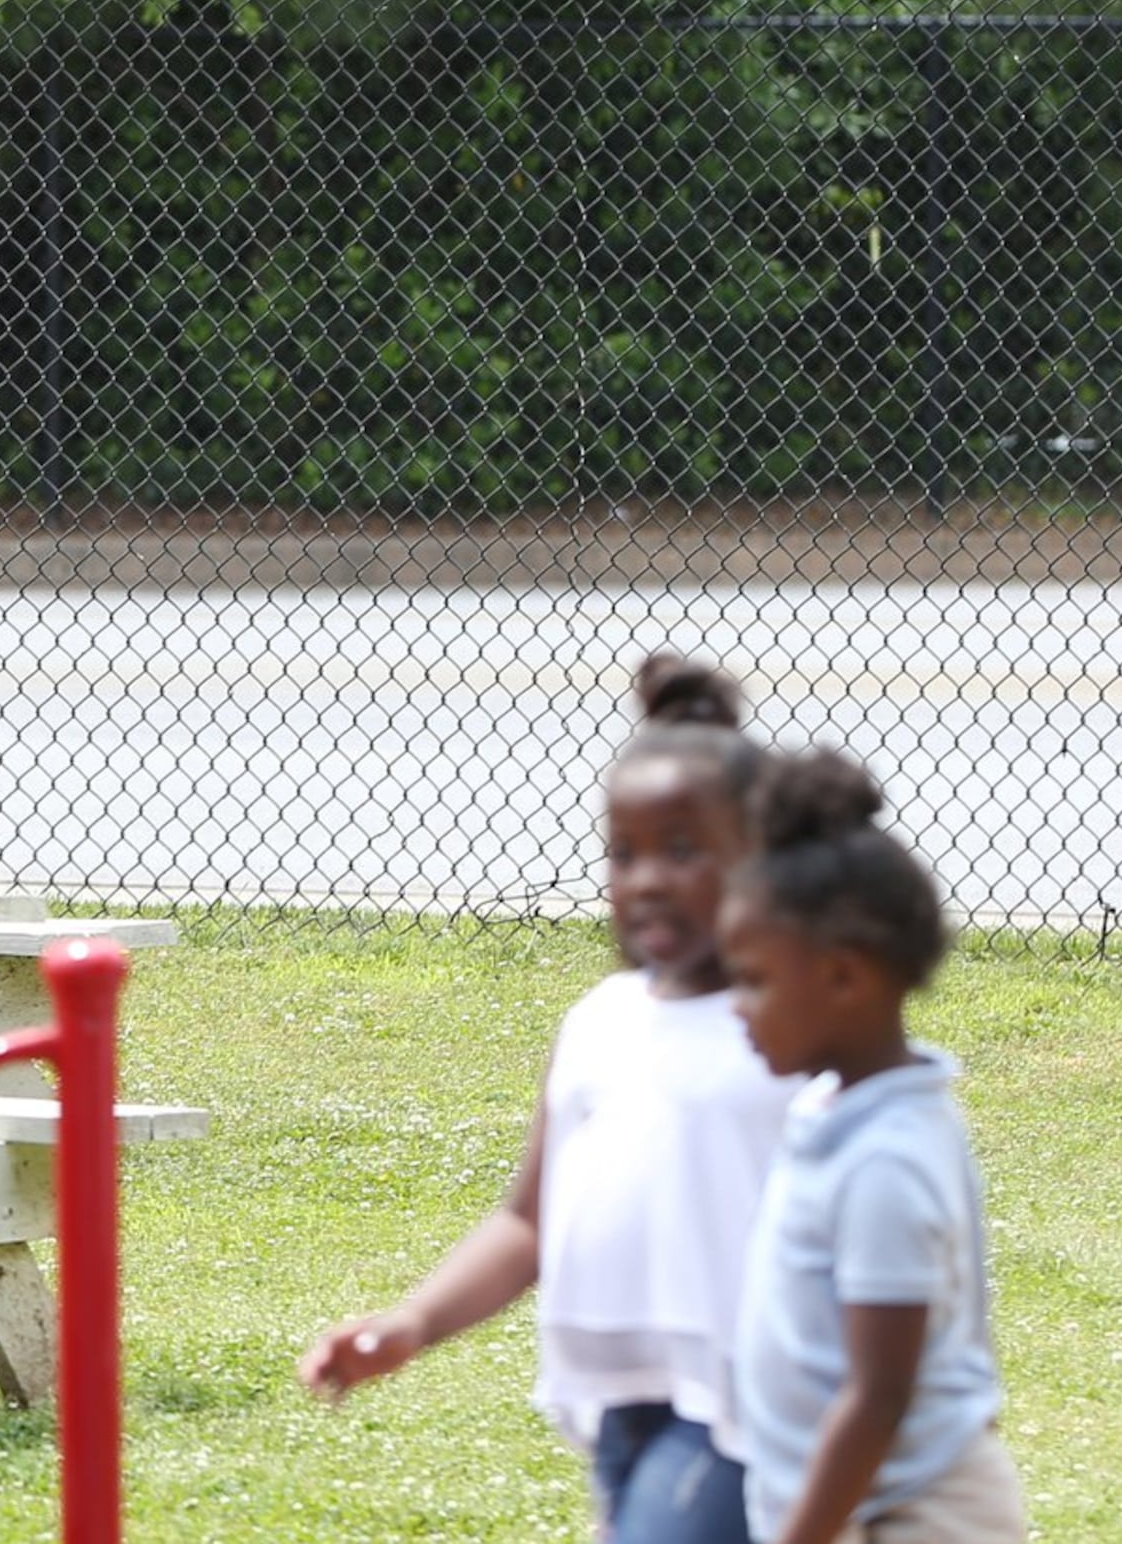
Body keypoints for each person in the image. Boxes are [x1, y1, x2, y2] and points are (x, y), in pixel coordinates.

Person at [302, 653, 795, 1544]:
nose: (645, 877)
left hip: (747, 1409)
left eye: (683, 850)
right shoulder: (601, 1021)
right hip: (620, 1401)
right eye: (625, 852)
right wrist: (414, 1321)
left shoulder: (791, 1033)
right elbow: (529, 1219)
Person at [719, 751, 1021, 1544]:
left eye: (752, 980)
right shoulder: (831, 1108)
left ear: (845, 979)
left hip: (914, 1515)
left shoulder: (887, 1159)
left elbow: (879, 1394)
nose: (735, 1009)